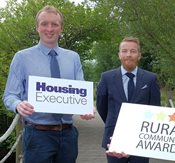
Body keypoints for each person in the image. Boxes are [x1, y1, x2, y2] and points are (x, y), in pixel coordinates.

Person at [2, 5, 95, 163]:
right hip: (37, 135)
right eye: (44, 24)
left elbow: (81, 91)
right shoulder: (21, 58)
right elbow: (9, 95)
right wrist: (18, 105)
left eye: (55, 24)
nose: (49, 29)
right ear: (37, 27)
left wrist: (87, 106)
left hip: (68, 135)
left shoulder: (73, 58)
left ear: (61, 28)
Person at [96, 36, 161, 163]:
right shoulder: (106, 78)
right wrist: (114, 122)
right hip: (114, 138)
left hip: (142, 138)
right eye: (124, 51)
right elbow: (101, 106)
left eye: (133, 51)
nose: (128, 55)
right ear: (119, 54)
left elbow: (155, 109)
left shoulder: (150, 79)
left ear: (139, 55)